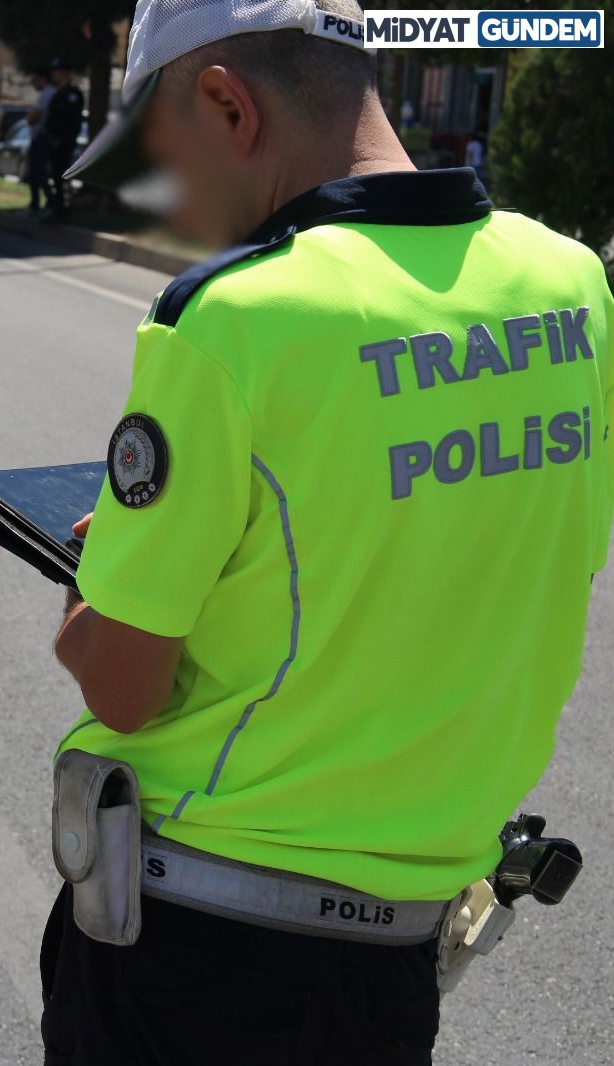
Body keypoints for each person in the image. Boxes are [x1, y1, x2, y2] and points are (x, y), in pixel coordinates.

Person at [42, 0, 613, 1060]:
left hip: (196, 954)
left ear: (225, 103)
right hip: (397, 955)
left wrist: (91, 574)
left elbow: (122, 680)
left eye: (163, 158)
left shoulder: (232, 318)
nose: (166, 201)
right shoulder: (570, 284)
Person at [41, 59, 85, 219]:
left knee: (62, 175)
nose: (54, 75)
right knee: (55, 175)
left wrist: (63, 138)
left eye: (57, 71)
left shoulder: (72, 94)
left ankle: (63, 209)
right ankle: (56, 206)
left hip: (64, 142)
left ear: (65, 73)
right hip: (54, 141)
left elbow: (72, 120)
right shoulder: (58, 93)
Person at [25, 72, 55, 214]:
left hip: (42, 139)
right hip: (40, 138)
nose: (33, 84)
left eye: (34, 81)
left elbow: (33, 118)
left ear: (42, 79)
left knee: (37, 172)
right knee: (35, 173)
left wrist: (29, 117)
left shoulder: (47, 94)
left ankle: (48, 200)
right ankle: (37, 202)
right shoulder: (48, 93)